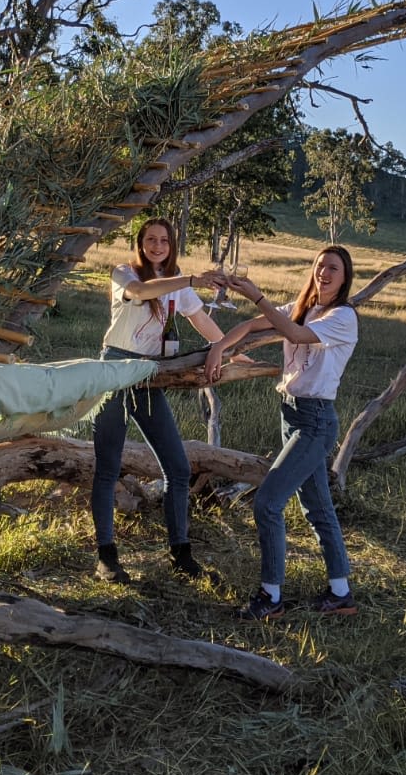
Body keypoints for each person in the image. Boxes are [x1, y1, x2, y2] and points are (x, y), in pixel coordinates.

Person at [204, 246, 359, 620]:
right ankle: (340, 592)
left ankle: (270, 597)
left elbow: (292, 332)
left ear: (344, 277)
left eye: (332, 268)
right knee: (317, 506)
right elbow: (256, 324)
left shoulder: (343, 317)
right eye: (320, 265)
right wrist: (220, 346)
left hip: (316, 420)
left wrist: (257, 295)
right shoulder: (305, 306)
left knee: (268, 502)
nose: (324, 272)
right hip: (291, 413)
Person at [90, 217, 226, 583]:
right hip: (115, 372)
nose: (157, 246)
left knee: (178, 468)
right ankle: (107, 557)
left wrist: (229, 350)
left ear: (172, 245)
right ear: (140, 243)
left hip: (149, 377)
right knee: (108, 467)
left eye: (164, 240)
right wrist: (192, 280)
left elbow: (201, 321)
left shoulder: (176, 285)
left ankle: (180, 554)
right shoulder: (124, 274)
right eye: (151, 239)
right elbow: (141, 292)